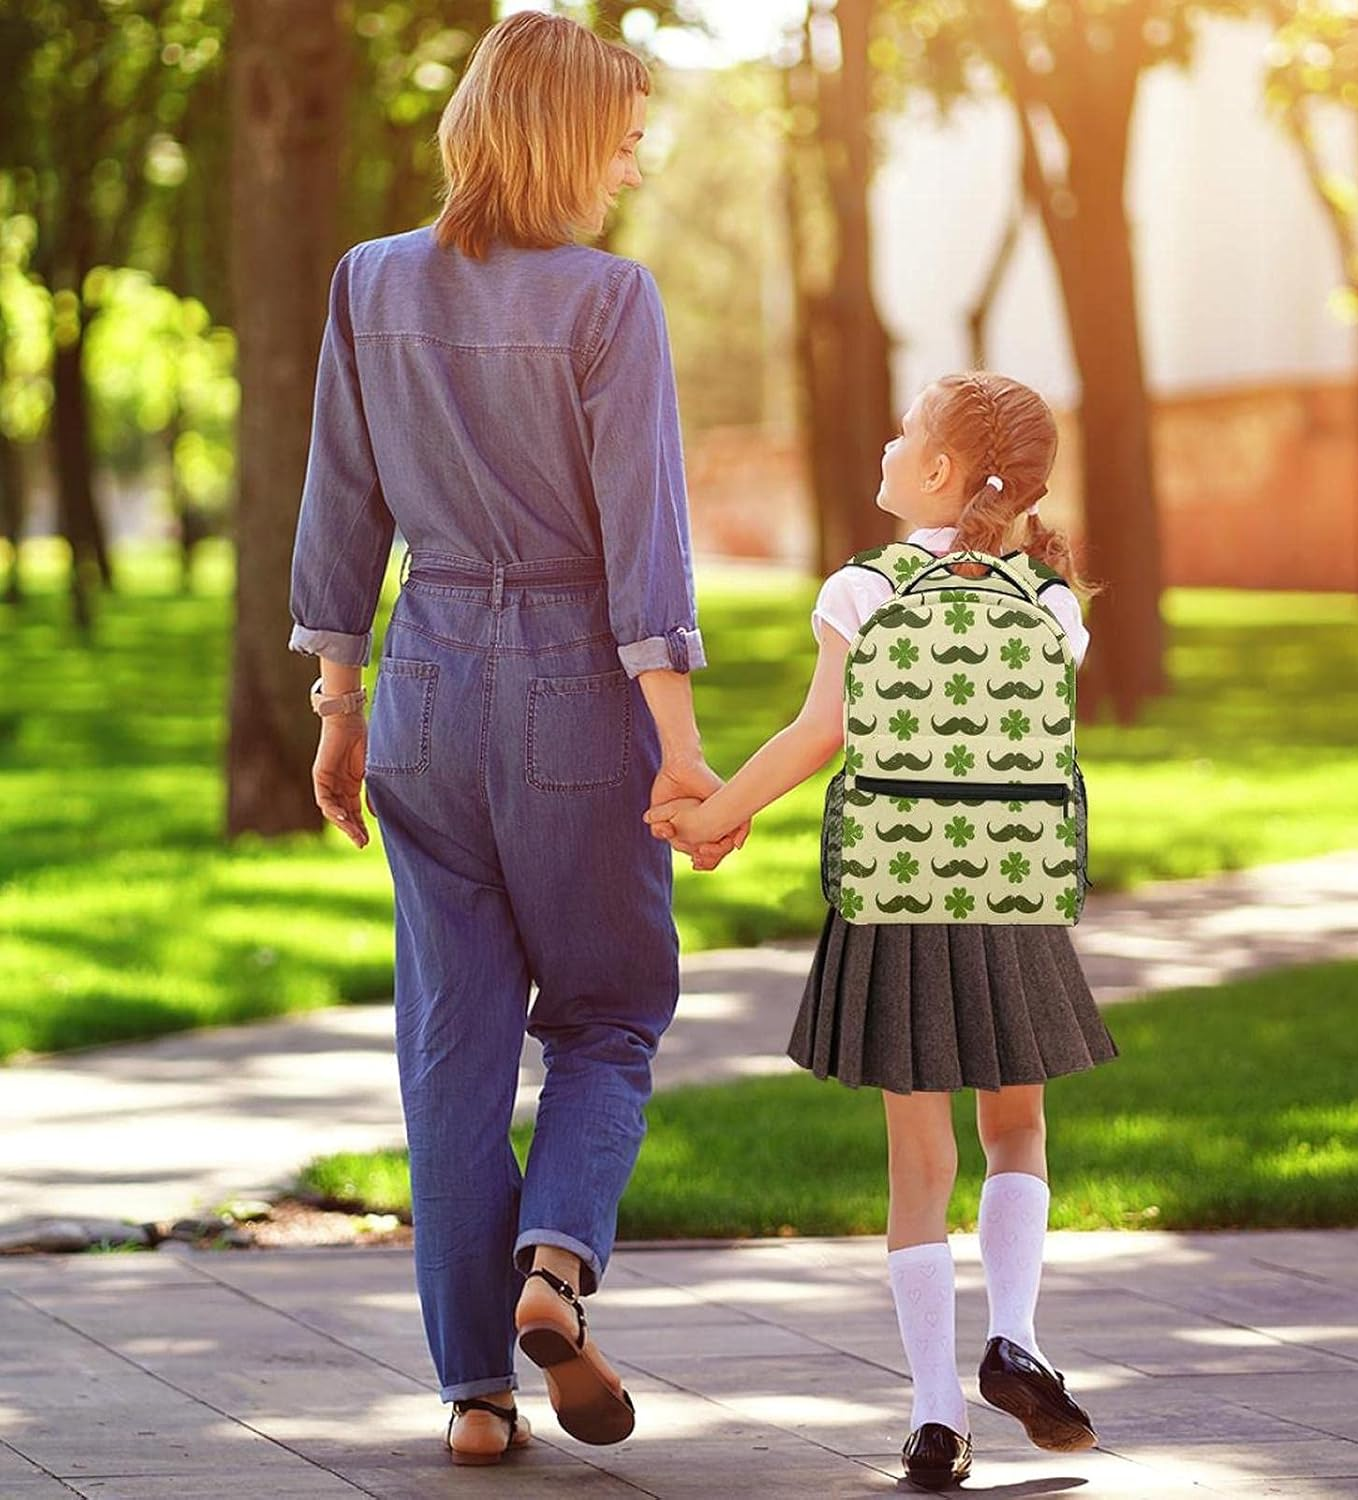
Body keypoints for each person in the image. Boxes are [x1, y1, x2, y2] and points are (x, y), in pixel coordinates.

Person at [287, 13, 745, 1467]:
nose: (629, 160)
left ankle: (474, 1394)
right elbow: (643, 548)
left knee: (454, 1045)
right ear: (559, 135)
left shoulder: (369, 283)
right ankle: (556, 1269)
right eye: (618, 134)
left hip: (422, 683)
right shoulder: (612, 301)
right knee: (610, 1014)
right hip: (572, 689)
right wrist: (680, 748)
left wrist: (339, 704)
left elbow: (340, 508)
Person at [647, 372, 1118, 1491]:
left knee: (920, 1165)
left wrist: (716, 815)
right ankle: (1018, 1334)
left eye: (905, 433)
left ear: (943, 472)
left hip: (897, 894)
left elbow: (820, 733)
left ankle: (935, 1416)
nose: (889, 445)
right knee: (1017, 1132)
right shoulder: (1054, 602)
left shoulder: (863, 591)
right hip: (1013, 899)